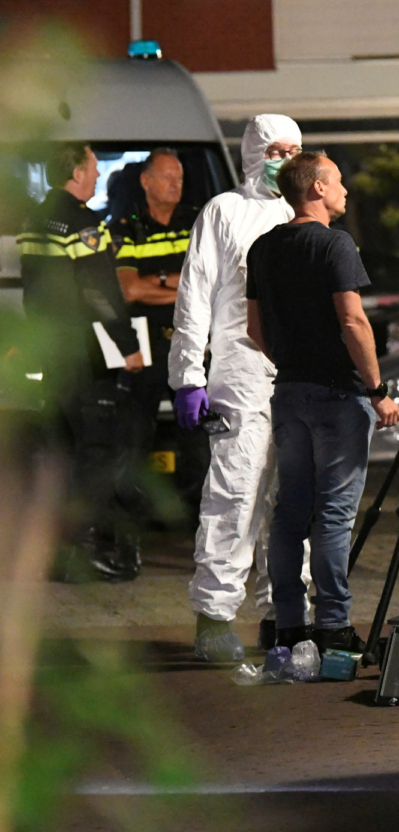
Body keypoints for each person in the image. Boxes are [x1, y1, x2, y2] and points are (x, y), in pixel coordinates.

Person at [245, 151, 399, 652]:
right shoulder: (336, 245)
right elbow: (353, 321)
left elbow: (254, 328)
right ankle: (334, 626)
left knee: (290, 512)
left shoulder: (263, 249)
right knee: (334, 515)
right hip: (338, 395)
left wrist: (292, 364)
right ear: (315, 188)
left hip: (288, 393)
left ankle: (289, 624)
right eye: (337, 181)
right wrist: (377, 390)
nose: (346, 191)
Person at [168, 115, 309, 662]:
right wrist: (189, 377)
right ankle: (214, 619)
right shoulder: (224, 211)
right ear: (253, 152)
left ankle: (285, 615)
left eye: (296, 150)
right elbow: (194, 296)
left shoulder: (303, 216)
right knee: (236, 492)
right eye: (276, 149)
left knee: (292, 499)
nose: (287, 159)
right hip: (241, 372)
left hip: (295, 375)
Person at [18, 142, 145, 582]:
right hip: (78, 351)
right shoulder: (82, 222)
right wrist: (127, 345)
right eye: (91, 168)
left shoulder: (37, 218)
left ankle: (56, 547)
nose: (96, 176)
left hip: (49, 349)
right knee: (94, 448)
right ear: (74, 171)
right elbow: (98, 291)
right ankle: (82, 550)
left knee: (63, 448)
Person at [112, 149, 199, 462]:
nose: (176, 184)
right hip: (145, 346)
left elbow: (216, 282)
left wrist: (157, 280)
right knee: (133, 439)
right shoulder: (126, 227)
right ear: (145, 181)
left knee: (198, 440)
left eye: (180, 177)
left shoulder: (197, 222)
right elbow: (130, 290)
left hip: (191, 345)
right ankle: (129, 508)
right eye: (167, 177)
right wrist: (188, 287)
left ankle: (195, 508)